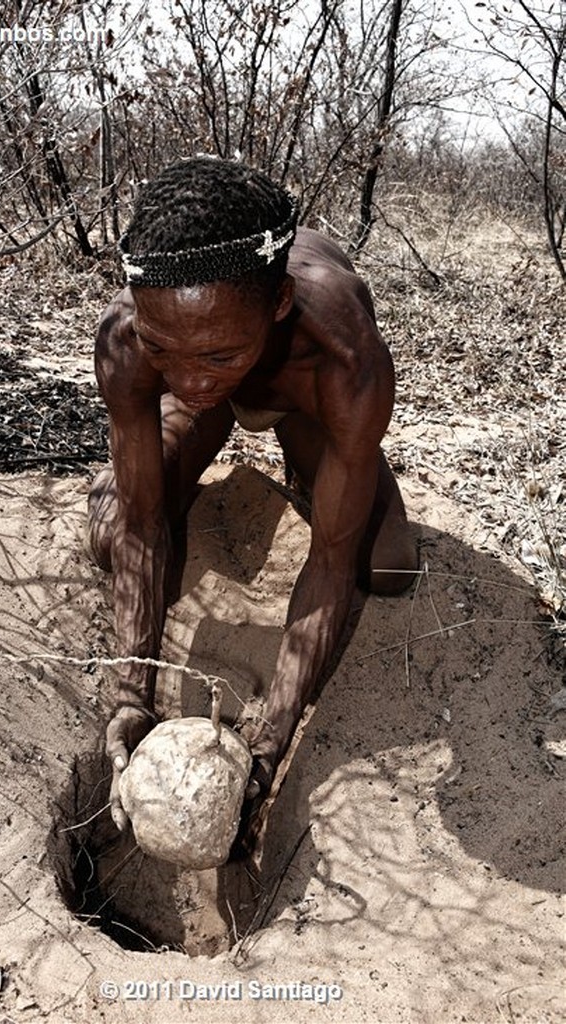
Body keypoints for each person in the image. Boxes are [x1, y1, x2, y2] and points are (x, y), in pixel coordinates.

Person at [88, 157, 418, 835]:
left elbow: (328, 564)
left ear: (278, 304)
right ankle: (133, 467)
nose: (183, 381)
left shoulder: (345, 354)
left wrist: (270, 736)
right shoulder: (128, 340)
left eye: (213, 355)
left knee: (383, 564)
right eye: (161, 350)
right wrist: (130, 695)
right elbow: (146, 528)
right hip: (235, 391)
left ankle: (315, 467)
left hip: (303, 401)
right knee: (116, 526)